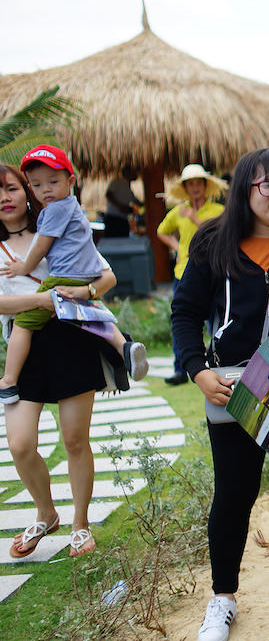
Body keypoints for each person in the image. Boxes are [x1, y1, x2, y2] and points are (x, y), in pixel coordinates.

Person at [170, 149, 269, 641]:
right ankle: (223, 598)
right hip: (235, 388)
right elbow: (185, 313)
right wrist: (197, 371)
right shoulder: (213, 241)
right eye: (267, 185)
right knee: (233, 493)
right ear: (245, 188)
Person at [0, 163, 128, 559]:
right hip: (26, 350)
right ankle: (45, 512)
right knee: (21, 445)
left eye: (10, 188)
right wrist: (42, 300)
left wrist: (84, 290)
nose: (5, 198)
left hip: (71, 342)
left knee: (75, 441)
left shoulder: (61, 224)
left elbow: (106, 277)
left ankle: (80, 524)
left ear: (28, 191)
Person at [0, 145, 147, 404]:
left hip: (65, 327)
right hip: (76, 284)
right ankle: (121, 349)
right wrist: (83, 291)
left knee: (24, 324)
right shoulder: (73, 209)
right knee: (94, 311)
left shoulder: (53, 212)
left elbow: (42, 248)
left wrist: (25, 269)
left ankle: (8, 380)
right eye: (38, 184)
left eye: (11, 188)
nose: (46, 189)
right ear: (32, 187)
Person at [158, 164, 227, 385]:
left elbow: (223, 232)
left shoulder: (218, 211)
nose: (195, 187)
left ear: (205, 186)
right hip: (183, 272)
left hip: (214, 272)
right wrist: (177, 247)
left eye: (199, 183)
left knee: (215, 322)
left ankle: (217, 363)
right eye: (191, 184)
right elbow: (161, 231)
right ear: (185, 188)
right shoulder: (178, 212)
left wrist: (195, 219)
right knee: (183, 319)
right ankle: (181, 369)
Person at [104, 166, 141, 237]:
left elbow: (136, 202)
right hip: (113, 219)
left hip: (122, 219)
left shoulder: (128, 187)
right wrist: (120, 206)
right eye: (134, 172)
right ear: (127, 173)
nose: (136, 173)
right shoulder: (117, 182)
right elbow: (109, 194)